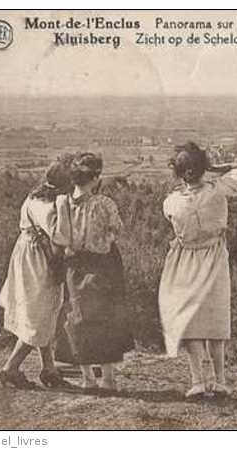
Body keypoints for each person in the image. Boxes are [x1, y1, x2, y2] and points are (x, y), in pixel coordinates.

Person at [158, 142, 237, 400]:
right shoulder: (219, 190)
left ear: (179, 172)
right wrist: (215, 167)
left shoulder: (171, 202)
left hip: (183, 259)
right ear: (202, 168)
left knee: (191, 320)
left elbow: (170, 216)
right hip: (214, 257)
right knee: (215, 318)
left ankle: (198, 380)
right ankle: (219, 381)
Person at [52, 152, 134, 391]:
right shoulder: (104, 203)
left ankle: (88, 379)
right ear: (96, 177)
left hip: (74, 264)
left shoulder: (62, 202)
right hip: (103, 264)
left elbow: (60, 236)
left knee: (77, 318)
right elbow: (117, 228)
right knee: (106, 318)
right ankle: (108, 380)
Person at [0, 161, 73, 389]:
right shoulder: (50, 206)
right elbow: (60, 238)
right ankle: (10, 368)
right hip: (40, 261)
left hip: (27, 255)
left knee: (44, 311)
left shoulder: (34, 196)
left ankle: (48, 368)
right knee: (40, 315)